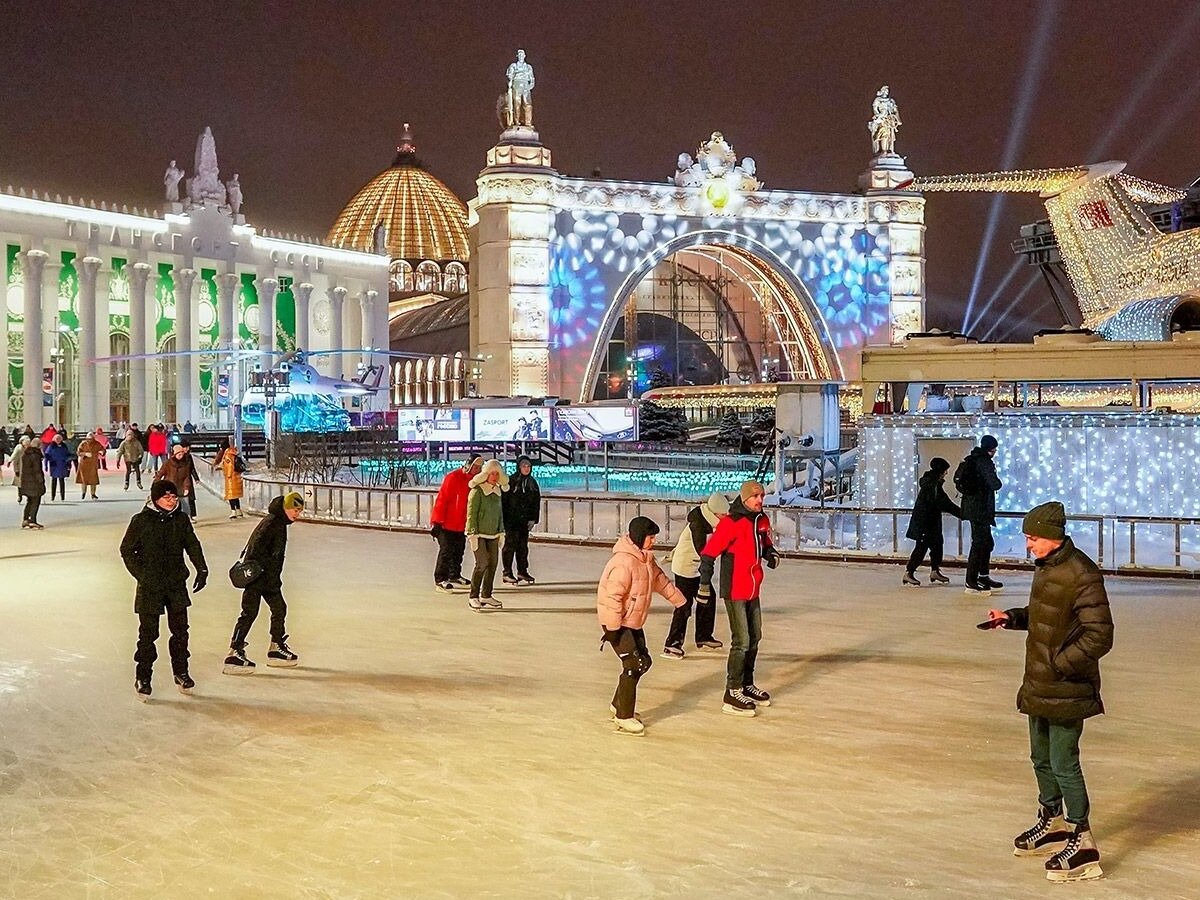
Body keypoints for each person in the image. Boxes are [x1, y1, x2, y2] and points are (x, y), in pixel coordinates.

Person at [982, 501, 1113, 883]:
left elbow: (1099, 635)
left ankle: (1083, 839)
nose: (1028, 545)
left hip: (1066, 686)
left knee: (1063, 762)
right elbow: (1048, 615)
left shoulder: (1082, 574)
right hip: (1040, 682)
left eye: (1033, 538)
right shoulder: (1049, 567)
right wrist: (1013, 617)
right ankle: (1052, 819)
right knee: (1040, 756)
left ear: (1053, 537)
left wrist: (1060, 663)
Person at [597, 516, 687, 736]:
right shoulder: (623, 562)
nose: (654, 541)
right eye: (650, 537)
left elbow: (660, 581)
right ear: (639, 537)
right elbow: (612, 597)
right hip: (617, 623)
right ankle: (623, 715)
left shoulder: (646, 560)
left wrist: (680, 602)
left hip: (633, 621)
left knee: (643, 661)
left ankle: (619, 704)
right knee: (634, 663)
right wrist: (612, 627)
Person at [120, 480, 208, 700]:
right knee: (148, 634)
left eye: (174, 497)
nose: (172, 501)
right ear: (155, 499)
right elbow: (127, 550)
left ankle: (181, 672)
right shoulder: (141, 521)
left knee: (180, 631)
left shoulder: (181, 519)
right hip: (150, 587)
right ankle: (143, 677)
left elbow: (192, 544)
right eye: (166, 497)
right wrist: (142, 575)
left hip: (176, 583)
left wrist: (202, 569)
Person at [698, 480, 780, 717]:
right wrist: (704, 585)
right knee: (741, 640)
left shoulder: (760, 520)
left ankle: (746, 684)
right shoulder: (731, 523)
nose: (760, 501)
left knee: (755, 637)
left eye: (762, 496)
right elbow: (709, 554)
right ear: (744, 499)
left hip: (753, 588)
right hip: (734, 589)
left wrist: (770, 554)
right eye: (755, 497)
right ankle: (732, 690)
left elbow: (764, 543)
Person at [222, 492, 305, 674]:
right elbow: (255, 550)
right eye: (295, 510)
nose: (297, 514)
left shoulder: (280, 522)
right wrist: (261, 573)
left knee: (279, 608)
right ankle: (234, 651)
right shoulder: (271, 523)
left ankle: (276, 647)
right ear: (286, 508)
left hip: (269, 580)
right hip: (258, 579)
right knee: (249, 613)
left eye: (299, 511)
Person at [663, 492, 730, 659]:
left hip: (696, 567)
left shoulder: (710, 521)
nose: (725, 517)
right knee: (684, 605)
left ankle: (703, 636)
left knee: (708, 599)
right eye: (723, 515)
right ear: (715, 513)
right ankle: (672, 644)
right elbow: (704, 552)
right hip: (685, 568)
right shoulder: (698, 525)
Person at [903, 457, 962, 586]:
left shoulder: (933, 483)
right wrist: (963, 514)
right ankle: (909, 572)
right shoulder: (932, 485)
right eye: (945, 470)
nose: (946, 473)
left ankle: (935, 570)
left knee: (937, 545)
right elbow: (944, 503)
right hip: (925, 523)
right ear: (940, 471)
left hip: (931, 522)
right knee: (921, 547)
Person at [957, 434, 1004, 596]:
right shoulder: (984, 462)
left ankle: (983, 576)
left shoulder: (972, 459)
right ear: (989, 449)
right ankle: (971, 581)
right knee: (979, 545)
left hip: (975, 508)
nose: (995, 452)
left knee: (986, 543)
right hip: (980, 510)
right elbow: (995, 483)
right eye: (994, 449)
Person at [429, 456, 482, 593]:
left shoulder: (476, 482)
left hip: (461, 524)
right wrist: (437, 522)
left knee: (459, 550)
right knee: (446, 550)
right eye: (475, 467)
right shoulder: (453, 477)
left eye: (479, 468)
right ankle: (440, 579)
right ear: (469, 465)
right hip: (446, 523)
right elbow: (442, 499)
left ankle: (454, 574)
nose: (477, 470)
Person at [465, 459, 508, 611]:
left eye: (497, 473)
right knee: (481, 563)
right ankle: (473, 596)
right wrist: (472, 534)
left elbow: (499, 514)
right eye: (492, 473)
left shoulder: (497, 491)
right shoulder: (477, 491)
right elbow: (471, 514)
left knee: (493, 563)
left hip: (493, 534)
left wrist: (501, 531)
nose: (495, 476)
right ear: (486, 474)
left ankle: (486, 594)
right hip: (479, 534)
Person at [501, 456, 540, 585]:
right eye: (524, 466)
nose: (526, 469)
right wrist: (503, 519)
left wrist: (533, 519)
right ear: (519, 467)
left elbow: (536, 502)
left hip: (524, 521)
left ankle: (522, 571)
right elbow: (504, 502)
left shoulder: (532, 483)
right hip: (511, 521)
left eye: (528, 466)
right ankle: (507, 572)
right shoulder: (511, 481)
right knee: (510, 546)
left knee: (523, 547)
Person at [156, 443, 200, 521]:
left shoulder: (186, 463)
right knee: (170, 503)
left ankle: (188, 518)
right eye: (179, 454)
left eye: (182, 454)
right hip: (170, 487)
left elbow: (187, 477)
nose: (181, 456)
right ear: (175, 454)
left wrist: (186, 487)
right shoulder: (168, 463)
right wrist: (156, 483)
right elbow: (160, 473)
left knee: (185, 503)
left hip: (181, 487)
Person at [213, 437, 245, 518]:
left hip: (231, 478)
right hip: (236, 476)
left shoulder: (227, 455)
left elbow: (229, 466)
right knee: (235, 496)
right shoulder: (233, 452)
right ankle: (238, 510)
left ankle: (233, 511)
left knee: (230, 495)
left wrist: (227, 474)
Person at [18, 439, 46, 529]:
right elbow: (37, 470)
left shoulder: (26, 454)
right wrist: (41, 481)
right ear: (38, 445)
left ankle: (25, 519)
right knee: (35, 501)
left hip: (26, 481)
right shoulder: (35, 455)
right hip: (34, 482)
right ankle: (33, 520)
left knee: (29, 501)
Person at [43, 432, 73, 502]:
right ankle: (53, 496)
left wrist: (69, 464)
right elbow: (47, 456)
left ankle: (62, 497)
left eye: (59, 439)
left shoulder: (64, 446)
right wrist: (46, 465)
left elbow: (67, 455)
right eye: (57, 439)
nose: (58, 440)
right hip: (54, 465)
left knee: (62, 481)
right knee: (54, 481)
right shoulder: (51, 446)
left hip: (62, 465)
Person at [76, 431, 103, 499]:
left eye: (91, 438)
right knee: (84, 480)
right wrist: (85, 454)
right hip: (84, 464)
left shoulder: (97, 443)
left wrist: (102, 452)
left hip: (93, 464)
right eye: (89, 438)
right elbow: (78, 452)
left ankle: (93, 494)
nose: (90, 439)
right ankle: (83, 492)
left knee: (93, 480)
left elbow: (102, 449)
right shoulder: (83, 443)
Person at [117, 427, 145, 491]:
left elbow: (141, 450)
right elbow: (120, 451)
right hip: (128, 459)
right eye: (128, 435)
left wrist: (140, 456)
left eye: (131, 435)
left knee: (137, 470)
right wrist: (117, 460)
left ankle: (138, 482)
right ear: (126, 435)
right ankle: (126, 483)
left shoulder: (136, 442)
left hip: (136, 458)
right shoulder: (124, 443)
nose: (130, 436)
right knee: (128, 471)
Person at [10, 435, 30, 505]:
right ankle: (20, 496)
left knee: (29, 484)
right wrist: (16, 470)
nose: (27, 445)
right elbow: (15, 459)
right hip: (20, 469)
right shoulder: (19, 448)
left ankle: (29, 497)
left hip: (28, 470)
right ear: (22, 442)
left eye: (28, 443)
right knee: (20, 484)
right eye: (26, 443)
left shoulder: (30, 449)